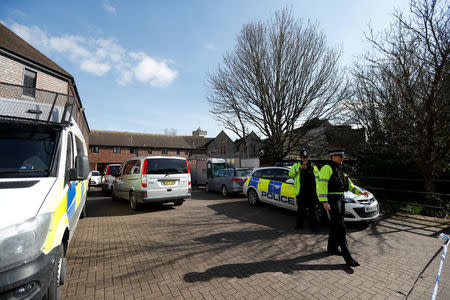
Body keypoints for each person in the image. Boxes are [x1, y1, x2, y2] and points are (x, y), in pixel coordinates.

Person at [318, 149, 369, 267]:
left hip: (340, 200)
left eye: (343, 156)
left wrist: (360, 192)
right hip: (332, 201)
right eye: (340, 156)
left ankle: (332, 248)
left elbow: (349, 185)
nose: (342, 158)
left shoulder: (340, 169)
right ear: (333, 156)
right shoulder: (327, 168)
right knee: (341, 228)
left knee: (335, 225)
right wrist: (324, 201)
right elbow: (322, 185)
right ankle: (349, 259)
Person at [289, 148, 320, 232]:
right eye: (303, 157)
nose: (304, 159)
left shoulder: (313, 166)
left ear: (308, 157)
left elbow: (319, 178)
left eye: (306, 157)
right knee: (301, 210)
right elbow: (290, 174)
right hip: (301, 192)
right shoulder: (296, 165)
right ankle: (300, 225)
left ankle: (314, 227)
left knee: (312, 211)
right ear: (300, 157)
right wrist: (299, 168)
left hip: (312, 192)